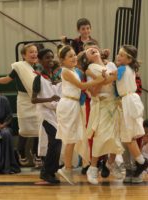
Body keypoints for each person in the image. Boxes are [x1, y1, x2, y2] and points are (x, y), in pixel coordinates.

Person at [55, 45, 105, 185]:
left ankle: (67, 169)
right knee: (70, 139)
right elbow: (82, 86)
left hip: (74, 105)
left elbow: (81, 55)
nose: (74, 58)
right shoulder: (66, 71)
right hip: (68, 105)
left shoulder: (73, 69)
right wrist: (100, 79)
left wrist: (88, 51)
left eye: (74, 55)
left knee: (74, 138)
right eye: (70, 56)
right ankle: (67, 169)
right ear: (62, 60)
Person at [0, 43, 42, 168]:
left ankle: (36, 154)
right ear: (24, 55)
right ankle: (21, 151)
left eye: (35, 52)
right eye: (31, 52)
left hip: (37, 100)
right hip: (24, 101)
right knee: (24, 129)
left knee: (38, 128)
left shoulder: (39, 67)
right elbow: (7, 79)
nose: (34, 54)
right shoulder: (19, 67)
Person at [79, 47, 124, 185]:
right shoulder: (90, 69)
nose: (91, 49)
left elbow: (118, 81)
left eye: (93, 48)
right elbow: (93, 92)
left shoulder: (110, 65)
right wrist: (103, 79)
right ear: (87, 58)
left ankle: (110, 163)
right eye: (88, 51)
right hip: (103, 104)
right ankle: (92, 169)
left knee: (116, 137)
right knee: (101, 137)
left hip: (115, 103)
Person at [115, 45, 148, 183]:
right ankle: (136, 165)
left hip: (128, 102)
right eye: (118, 54)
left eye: (122, 55)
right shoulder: (129, 69)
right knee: (129, 137)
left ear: (129, 59)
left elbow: (108, 78)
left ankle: (141, 163)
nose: (118, 56)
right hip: (129, 100)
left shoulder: (122, 69)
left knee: (128, 138)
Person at [31, 48, 62, 184]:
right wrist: (49, 99)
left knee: (56, 142)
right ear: (40, 60)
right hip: (44, 114)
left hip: (54, 113)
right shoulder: (38, 78)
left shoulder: (53, 76)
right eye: (46, 58)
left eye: (51, 57)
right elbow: (33, 99)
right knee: (55, 141)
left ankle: (51, 171)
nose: (50, 60)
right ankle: (46, 172)